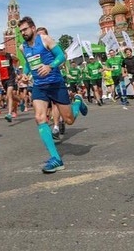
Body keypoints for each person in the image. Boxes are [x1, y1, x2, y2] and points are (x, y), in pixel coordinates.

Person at [18, 16, 87, 174]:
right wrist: (25, 74)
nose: (23, 33)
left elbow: (61, 56)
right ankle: (56, 159)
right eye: (21, 31)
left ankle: (77, 102)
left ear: (33, 28)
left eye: (25, 30)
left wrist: (50, 66)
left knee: (69, 120)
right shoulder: (23, 47)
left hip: (55, 84)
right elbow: (29, 63)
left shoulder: (45, 39)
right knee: (40, 118)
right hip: (39, 87)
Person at [0, 44, 17, 122]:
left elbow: (17, 60)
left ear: (5, 49)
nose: (1, 51)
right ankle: (19, 101)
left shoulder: (9, 55)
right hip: (3, 79)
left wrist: (14, 57)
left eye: (2, 50)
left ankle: (9, 114)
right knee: (12, 96)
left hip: (11, 77)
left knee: (8, 95)